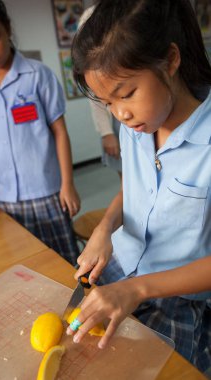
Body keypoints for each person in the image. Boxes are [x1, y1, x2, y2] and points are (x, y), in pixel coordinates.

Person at [67, 0, 211, 374]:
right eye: (107, 102)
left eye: (126, 93)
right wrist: (104, 228)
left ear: (171, 60)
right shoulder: (137, 123)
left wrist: (137, 290)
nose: (120, 114)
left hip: (178, 295)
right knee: (73, 346)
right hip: (123, 266)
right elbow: (135, 189)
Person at [0, 0, 80, 266]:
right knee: (23, 263)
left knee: (62, 261)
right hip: (3, 196)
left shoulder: (38, 75)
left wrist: (67, 184)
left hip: (45, 191)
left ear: (7, 28)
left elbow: (59, 131)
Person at [79, 5, 122, 176]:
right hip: (115, 123)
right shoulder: (90, 16)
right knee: (126, 175)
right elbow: (94, 92)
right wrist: (106, 132)